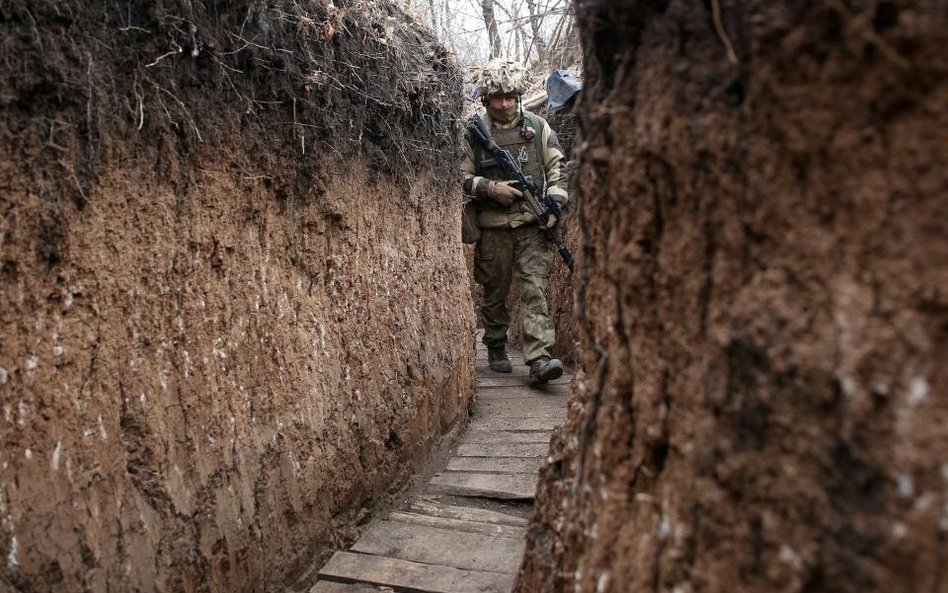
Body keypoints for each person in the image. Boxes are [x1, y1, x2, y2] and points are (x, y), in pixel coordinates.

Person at [461, 60, 568, 385]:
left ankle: (539, 358)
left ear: (518, 95)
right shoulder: (475, 134)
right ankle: (495, 344)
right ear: (486, 99)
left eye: (510, 96)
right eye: (497, 97)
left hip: (532, 227)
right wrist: (491, 188)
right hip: (493, 229)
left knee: (534, 289)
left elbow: (557, 169)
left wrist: (555, 202)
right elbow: (461, 176)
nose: (504, 103)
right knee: (494, 292)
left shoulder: (537, 127)